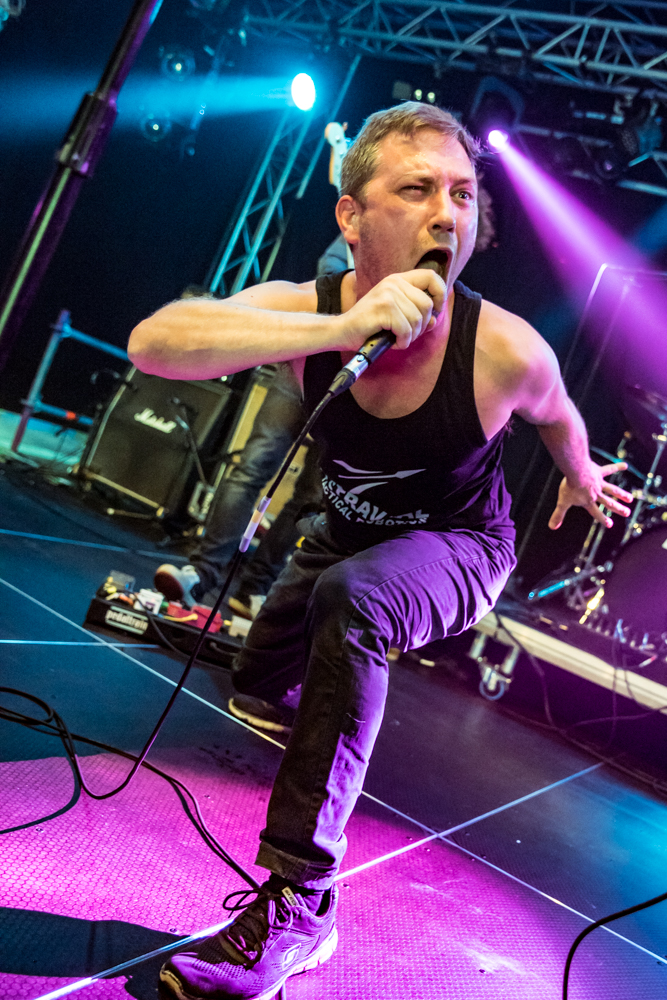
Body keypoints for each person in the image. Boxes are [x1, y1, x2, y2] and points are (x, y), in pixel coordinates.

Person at [128, 102, 632, 1000]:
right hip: (345, 537)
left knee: (354, 604)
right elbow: (154, 344)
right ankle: (321, 707)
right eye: (417, 189)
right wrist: (334, 330)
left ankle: (302, 901)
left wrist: (580, 475)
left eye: (463, 195)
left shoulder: (503, 348)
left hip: (459, 549)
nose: (448, 214)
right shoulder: (310, 311)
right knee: (258, 677)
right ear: (350, 216)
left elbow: (560, 416)